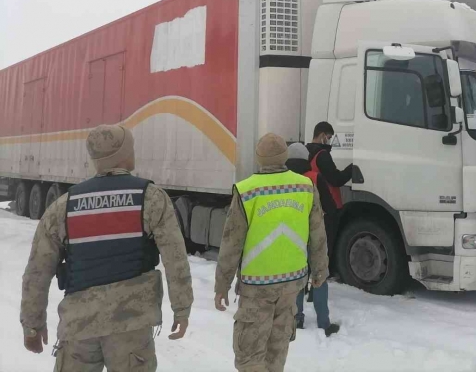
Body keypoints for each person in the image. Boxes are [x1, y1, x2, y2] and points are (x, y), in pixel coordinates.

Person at [20, 124, 193, 372]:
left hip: (79, 326)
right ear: (123, 154)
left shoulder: (64, 205)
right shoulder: (150, 197)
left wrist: (32, 325)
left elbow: (38, 271)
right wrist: (182, 308)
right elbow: (175, 260)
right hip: (131, 325)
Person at [215, 133, 329, 372]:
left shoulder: (247, 190)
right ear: (284, 157)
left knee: (250, 358)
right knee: (277, 353)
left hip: (257, 287)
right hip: (291, 285)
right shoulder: (305, 187)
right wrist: (320, 270)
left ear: (259, 158)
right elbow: (318, 234)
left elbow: (231, 243)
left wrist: (222, 285)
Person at [285, 143, 340, 337]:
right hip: (315, 235)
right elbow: (330, 207)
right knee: (320, 276)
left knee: (297, 277)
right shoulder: (315, 178)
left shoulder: (283, 180)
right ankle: (323, 323)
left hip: (291, 236)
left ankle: (297, 318)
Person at [306, 122, 352, 256]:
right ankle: (328, 272)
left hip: (313, 203)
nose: (329, 140)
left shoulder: (306, 152)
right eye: (329, 137)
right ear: (322, 136)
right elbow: (336, 179)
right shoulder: (322, 155)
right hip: (329, 205)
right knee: (328, 243)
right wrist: (352, 168)